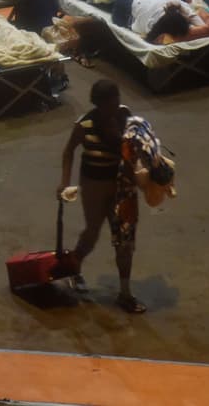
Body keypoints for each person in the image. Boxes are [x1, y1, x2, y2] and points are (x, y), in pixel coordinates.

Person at [57, 80, 158, 313]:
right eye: (108, 106)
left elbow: (136, 144)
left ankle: (125, 293)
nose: (114, 109)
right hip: (93, 184)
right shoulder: (85, 125)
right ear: (98, 105)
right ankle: (75, 266)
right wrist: (64, 182)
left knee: (125, 237)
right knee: (92, 231)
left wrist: (151, 165)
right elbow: (68, 151)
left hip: (121, 183)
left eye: (116, 103)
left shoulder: (125, 116)